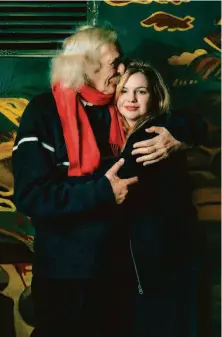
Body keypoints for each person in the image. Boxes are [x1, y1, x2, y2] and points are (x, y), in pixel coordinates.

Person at [12, 26, 206, 337]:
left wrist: (180, 137)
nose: (122, 69)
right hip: (67, 274)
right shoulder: (44, 112)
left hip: (119, 274)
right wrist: (103, 191)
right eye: (115, 63)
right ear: (85, 65)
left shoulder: (116, 107)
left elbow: (175, 116)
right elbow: (31, 196)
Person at [96, 60, 204, 337]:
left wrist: (181, 136)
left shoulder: (154, 132)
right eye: (125, 91)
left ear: (154, 96)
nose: (131, 99)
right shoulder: (113, 134)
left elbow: (191, 121)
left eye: (141, 91)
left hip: (163, 258)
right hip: (144, 257)